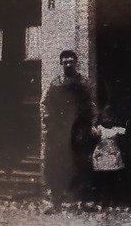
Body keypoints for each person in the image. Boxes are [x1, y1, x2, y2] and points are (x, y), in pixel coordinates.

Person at [42, 50, 96, 213]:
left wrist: (91, 125)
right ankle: (55, 201)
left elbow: (91, 105)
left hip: (79, 130)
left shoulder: (84, 83)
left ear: (75, 62)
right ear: (61, 64)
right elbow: (46, 105)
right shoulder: (55, 84)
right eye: (65, 62)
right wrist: (49, 124)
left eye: (70, 61)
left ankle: (85, 200)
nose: (68, 64)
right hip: (59, 130)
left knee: (82, 164)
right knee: (57, 164)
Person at [91, 105, 127, 207]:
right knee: (103, 178)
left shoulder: (116, 129)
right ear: (102, 118)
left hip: (113, 155)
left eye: (110, 117)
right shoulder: (100, 128)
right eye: (105, 117)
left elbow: (125, 131)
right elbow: (94, 134)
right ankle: (103, 199)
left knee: (112, 178)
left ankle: (113, 199)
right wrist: (93, 124)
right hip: (102, 154)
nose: (108, 120)